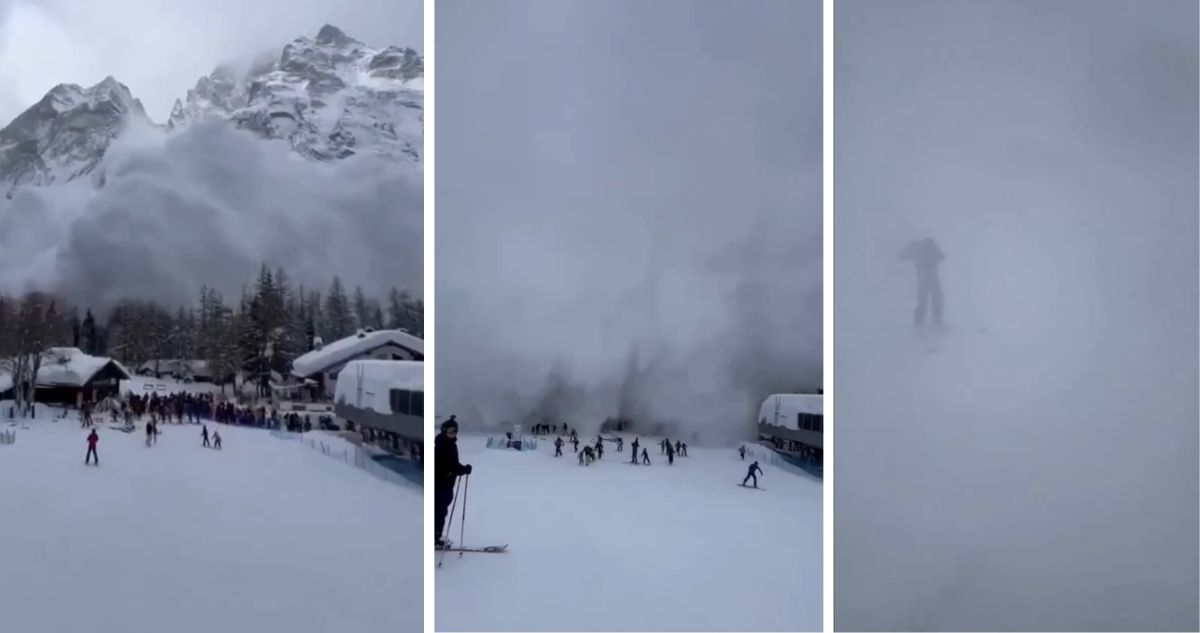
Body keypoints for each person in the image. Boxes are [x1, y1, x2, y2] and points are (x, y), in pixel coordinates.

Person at [435, 417, 471, 549]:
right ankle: (435, 538)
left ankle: (436, 536)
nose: (453, 433)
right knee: (438, 513)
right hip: (439, 486)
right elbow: (449, 466)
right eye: (450, 431)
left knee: (440, 512)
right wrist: (462, 470)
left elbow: (453, 465)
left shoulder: (451, 445)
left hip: (447, 485)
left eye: (455, 431)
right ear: (444, 431)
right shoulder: (441, 447)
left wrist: (462, 469)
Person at [900, 237, 945, 330]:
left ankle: (933, 323)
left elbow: (942, 256)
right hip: (926, 280)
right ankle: (923, 324)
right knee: (926, 300)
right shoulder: (919, 247)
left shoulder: (922, 247)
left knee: (932, 300)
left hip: (930, 280)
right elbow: (942, 256)